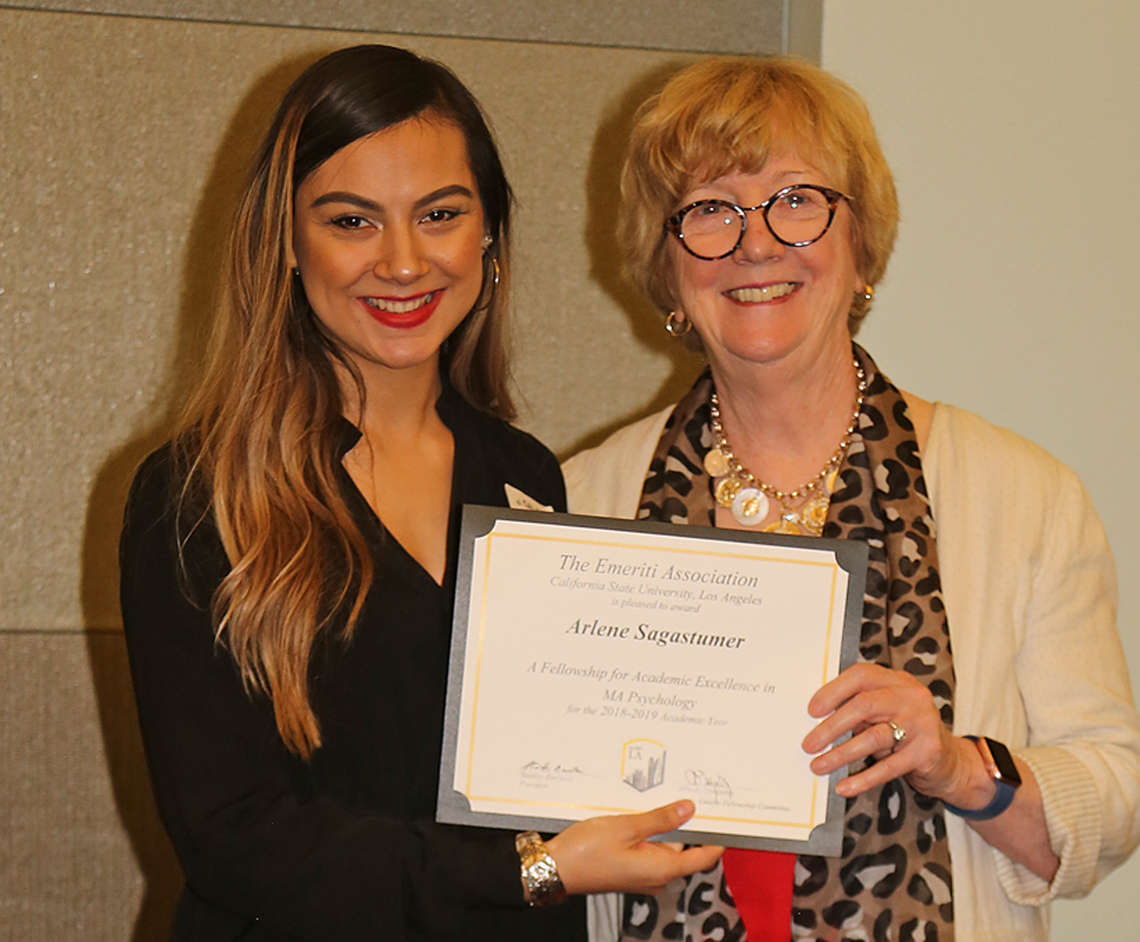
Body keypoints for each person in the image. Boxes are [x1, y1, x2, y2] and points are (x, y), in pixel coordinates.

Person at [119, 45, 721, 942]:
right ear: (286, 240)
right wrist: (533, 869)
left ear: (487, 233)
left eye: (439, 213)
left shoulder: (524, 475)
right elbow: (236, 837)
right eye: (352, 221)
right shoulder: (195, 496)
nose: (402, 263)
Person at [563, 57, 1140, 942]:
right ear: (668, 262)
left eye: (798, 201)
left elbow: (1118, 800)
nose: (757, 243)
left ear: (860, 241)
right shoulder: (579, 504)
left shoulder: (1021, 495)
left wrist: (959, 767)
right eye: (711, 210)